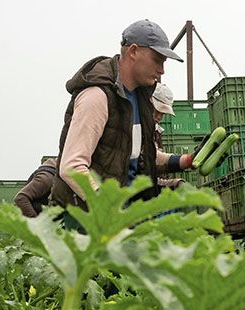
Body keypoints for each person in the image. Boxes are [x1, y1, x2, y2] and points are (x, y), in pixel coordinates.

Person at [51, 19, 193, 211]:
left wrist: (183, 161)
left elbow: (140, 156)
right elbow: (72, 167)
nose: (162, 70)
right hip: (89, 219)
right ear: (133, 51)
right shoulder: (97, 96)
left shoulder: (141, 97)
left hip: (121, 214)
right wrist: (108, 208)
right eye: (157, 60)